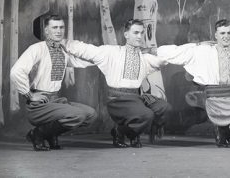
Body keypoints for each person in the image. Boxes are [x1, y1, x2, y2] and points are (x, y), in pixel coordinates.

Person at [156, 19, 230, 148]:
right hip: (217, 99)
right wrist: (198, 44)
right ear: (216, 35)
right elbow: (176, 52)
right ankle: (225, 131)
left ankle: (227, 128)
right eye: (222, 33)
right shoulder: (205, 51)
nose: (226, 36)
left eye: (229, 33)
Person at [65, 19, 171, 148]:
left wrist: (152, 50)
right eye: (136, 32)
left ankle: (132, 133)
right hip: (118, 99)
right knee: (146, 115)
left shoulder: (145, 57)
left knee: (163, 107)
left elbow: (166, 59)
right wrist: (63, 42)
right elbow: (85, 49)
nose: (139, 36)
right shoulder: (111, 52)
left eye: (142, 33)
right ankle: (119, 132)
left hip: (136, 98)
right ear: (126, 35)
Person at [10, 14, 97, 151]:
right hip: (39, 104)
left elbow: (79, 61)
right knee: (78, 115)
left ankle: (50, 134)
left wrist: (103, 58)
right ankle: (37, 134)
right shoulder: (37, 49)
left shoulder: (62, 51)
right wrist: (29, 95)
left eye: (61, 27)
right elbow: (16, 71)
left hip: (56, 100)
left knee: (90, 114)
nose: (59, 31)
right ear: (46, 31)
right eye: (54, 27)